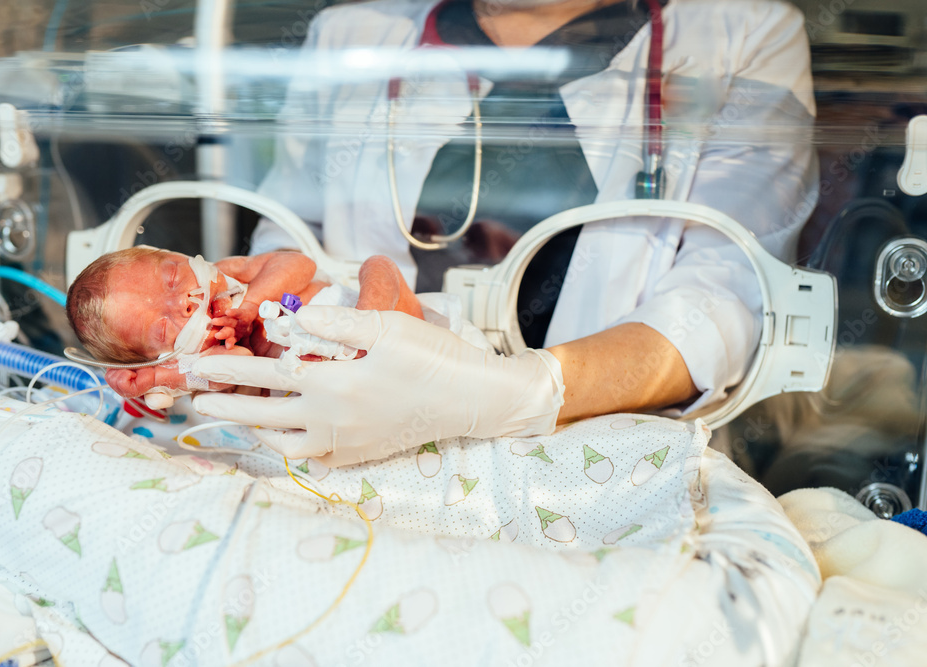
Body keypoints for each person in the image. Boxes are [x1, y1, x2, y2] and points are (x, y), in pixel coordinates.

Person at [187, 0, 818, 466]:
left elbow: (728, 298)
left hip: (602, 461)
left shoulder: (740, 36)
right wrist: (274, 322)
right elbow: (291, 234)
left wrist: (517, 394)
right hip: (347, 447)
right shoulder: (353, 36)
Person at [67, 246, 423, 400]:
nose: (182, 303)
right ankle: (359, 351)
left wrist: (252, 302)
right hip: (355, 386)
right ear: (163, 356)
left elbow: (300, 265)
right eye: (162, 328)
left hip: (392, 323)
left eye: (172, 278)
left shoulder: (232, 273)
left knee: (377, 266)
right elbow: (228, 373)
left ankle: (361, 329)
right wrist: (158, 378)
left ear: (179, 255)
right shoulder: (219, 354)